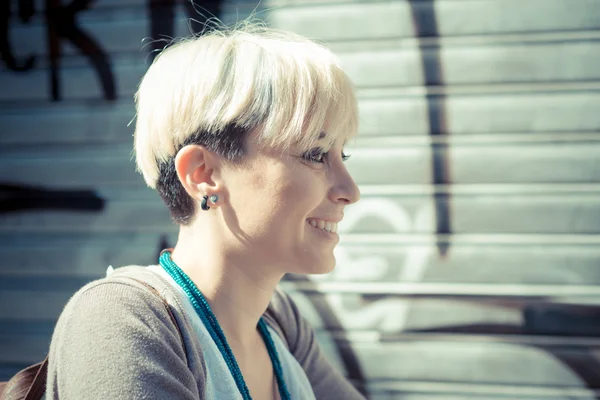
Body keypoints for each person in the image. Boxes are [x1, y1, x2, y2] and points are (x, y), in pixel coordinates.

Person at [46, 21, 364, 399]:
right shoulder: (122, 320)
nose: (350, 191)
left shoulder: (278, 323)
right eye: (315, 154)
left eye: (341, 155)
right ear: (204, 173)